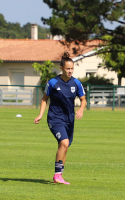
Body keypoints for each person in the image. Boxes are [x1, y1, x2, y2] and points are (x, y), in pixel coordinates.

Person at [34, 52, 87, 185]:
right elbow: (44, 99)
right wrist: (40, 114)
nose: (70, 71)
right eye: (68, 68)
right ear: (61, 68)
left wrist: (81, 109)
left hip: (69, 119)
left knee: (65, 146)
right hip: (55, 118)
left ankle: (60, 175)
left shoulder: (76, 83)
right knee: (64, 143)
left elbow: (83, 99)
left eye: (72, 69)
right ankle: (57, 175)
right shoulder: (53, 82)